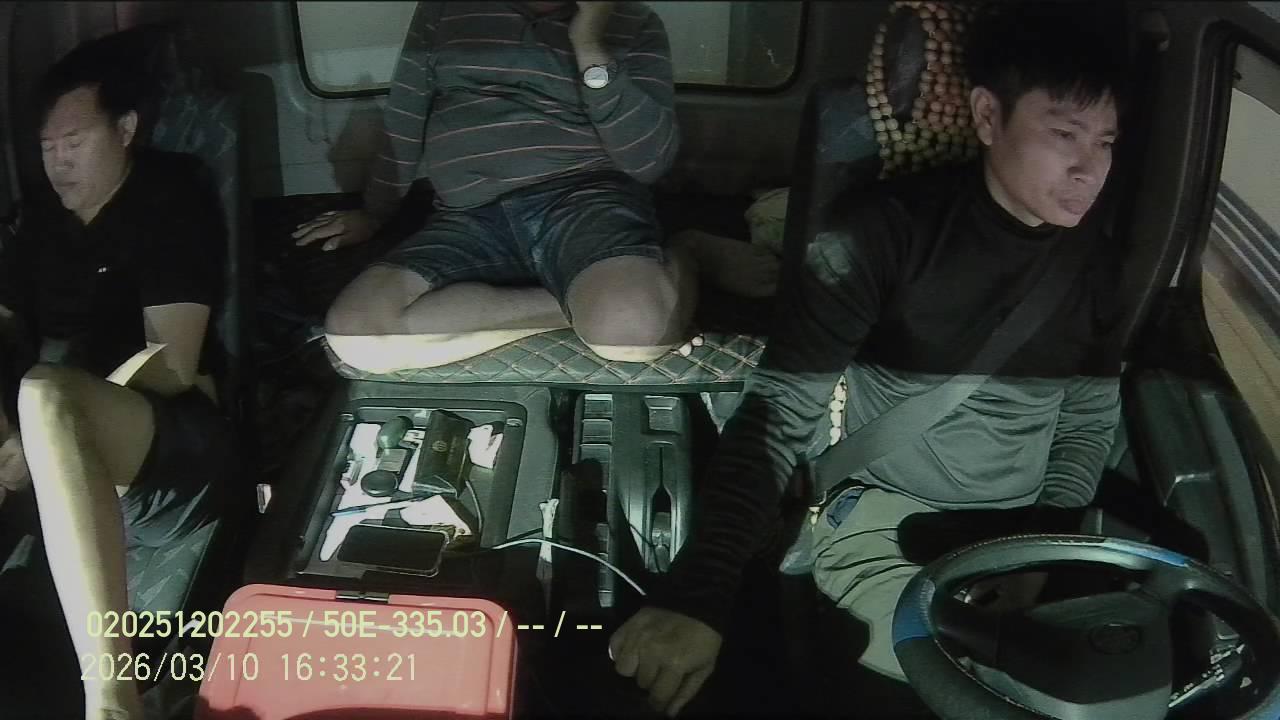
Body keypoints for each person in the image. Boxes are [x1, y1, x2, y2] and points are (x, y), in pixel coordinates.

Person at [608, 4, 1130, 715]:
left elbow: (1087, 420)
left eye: (1105, 142)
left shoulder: (1097, 264)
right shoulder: (879, 237)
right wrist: (700, 594)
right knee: (970, 688)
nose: (1088, 168)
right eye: (1063, 134)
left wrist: (1040, 559)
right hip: (888, 521)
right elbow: (781, 409)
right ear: (987, 116)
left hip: (1021, 533)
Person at [293, 1, 777, 372]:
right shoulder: (445, 10)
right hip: (467, 215)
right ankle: (595, 304)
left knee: (632, 339)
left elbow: (648, 162)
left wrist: (589, 42)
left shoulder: (633, 21)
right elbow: (405, 114)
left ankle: (685, 255)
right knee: (358, 337)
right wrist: (375, 212)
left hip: (587, 201)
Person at [0, 37, 235, 720]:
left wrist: (42, 432)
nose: (58, 162)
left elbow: (173, 363)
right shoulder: (37, 220)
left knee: (47, 396)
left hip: (165, 426)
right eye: (48, 147)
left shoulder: (169, 197)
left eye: (74, 142)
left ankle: (112, 697)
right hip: (45, 427)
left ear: (126, 129)